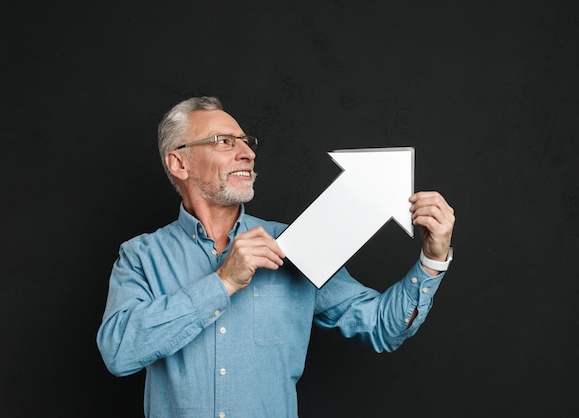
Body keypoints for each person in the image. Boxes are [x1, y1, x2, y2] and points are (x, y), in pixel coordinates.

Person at [96, 96, 455, 418]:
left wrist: (432, 259)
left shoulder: (296, 243)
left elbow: (381, 327)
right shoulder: (141, 256)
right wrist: (223, 282)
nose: (248, 153)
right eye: (224, 142)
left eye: (246, 142)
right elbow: (119, 353)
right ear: (179, 163)